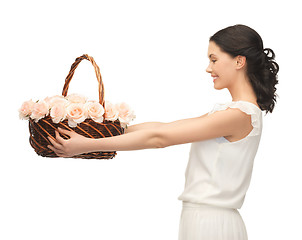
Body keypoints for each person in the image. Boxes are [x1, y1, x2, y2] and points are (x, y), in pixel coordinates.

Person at [47, 24, 279, 240]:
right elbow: (162, 128)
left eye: (214, 59)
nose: (209, 68)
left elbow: (160, 139)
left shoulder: (239, 114)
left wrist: (86, 145)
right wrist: (103, 130)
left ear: (239, 61)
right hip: (204, 219)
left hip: (211, 223)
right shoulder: (232, 112)